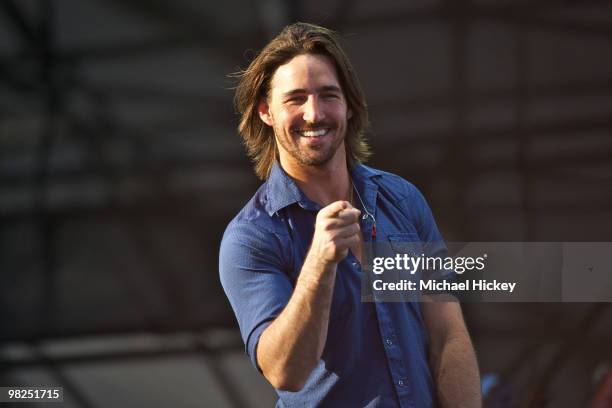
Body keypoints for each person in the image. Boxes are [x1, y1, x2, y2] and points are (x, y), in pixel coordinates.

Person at [219, 22, 481, 407]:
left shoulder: (402, 200)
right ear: (266, 112)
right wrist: (320, 263)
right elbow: (286, 372)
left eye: (328, 95)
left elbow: (448, 333)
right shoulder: (251, 238)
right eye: (295, 99)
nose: (314, 113)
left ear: (348, 104)